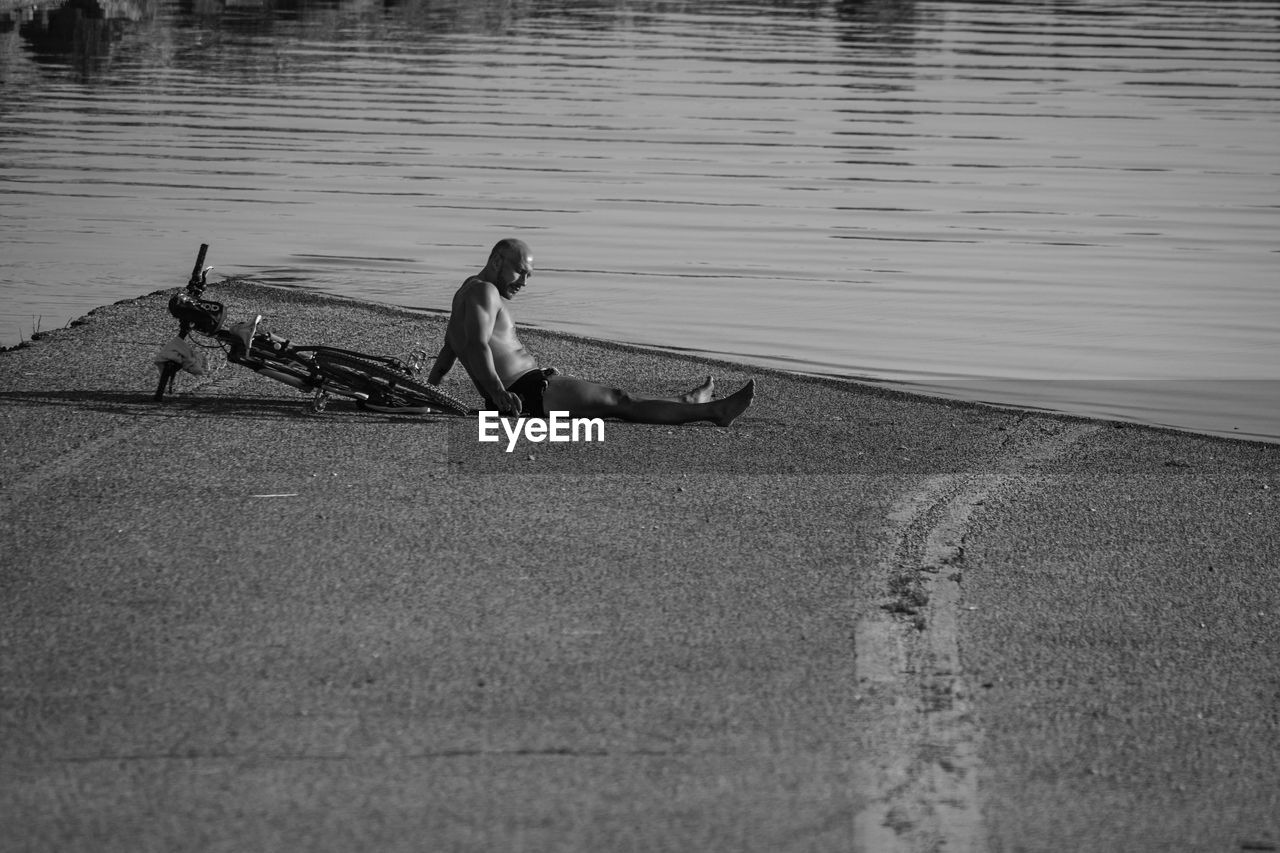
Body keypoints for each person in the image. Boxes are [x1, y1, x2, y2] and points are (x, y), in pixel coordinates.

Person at [427, 238, 754, 426]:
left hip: (525, 390)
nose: (524, 283)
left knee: (618, 400)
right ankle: (713, 411)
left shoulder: (466, 291)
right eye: (520, 272)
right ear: (497, 261)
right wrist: (498, 392)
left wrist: (430, 387)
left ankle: (689, 401)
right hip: (528, 393)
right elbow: (480, 346)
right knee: (621, 401)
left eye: (529, 276)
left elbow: (451, 348)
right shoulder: (485, 292)